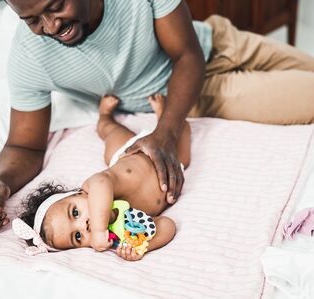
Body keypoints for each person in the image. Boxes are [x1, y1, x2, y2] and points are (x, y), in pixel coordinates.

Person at [0, 0, 314, 234]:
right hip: (183, 96)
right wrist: (0, 182)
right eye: (32, 19)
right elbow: (24, 142)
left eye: (56, 6)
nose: (50, 27)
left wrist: (166, 133)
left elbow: (186, 54)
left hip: (210, 45)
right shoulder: (29, 56)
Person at [13, 94, 188, 260]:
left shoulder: (93, 187)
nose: (84, 225)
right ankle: (162, 118)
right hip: (169, 165)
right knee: (184, 132)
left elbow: (102, 182)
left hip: (128, 151)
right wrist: (141, 246)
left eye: (75, 212)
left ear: (79, 193)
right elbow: (167, 225)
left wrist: (98, 229)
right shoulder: (124, 231)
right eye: (78, 236)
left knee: (111, 131)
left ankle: (104, 116)